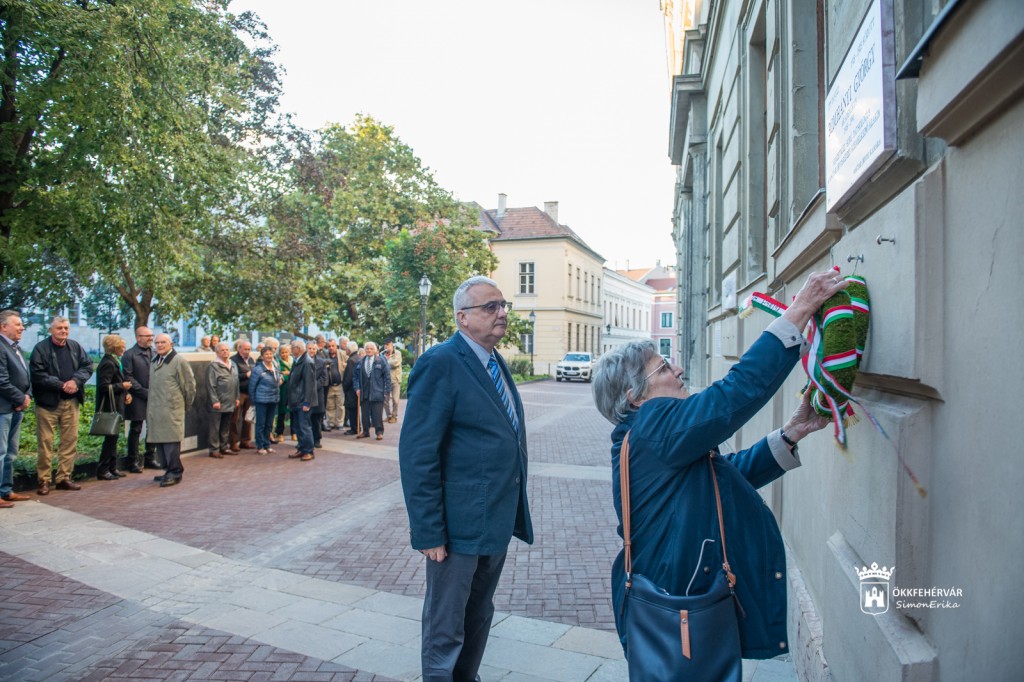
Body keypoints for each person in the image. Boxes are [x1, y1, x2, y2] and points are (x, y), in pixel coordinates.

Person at [590, 270, 847, 670]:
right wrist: (798, 311)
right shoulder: (654, 426)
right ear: (636, 397)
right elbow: (733, 395)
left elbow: (720, 475)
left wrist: (791, 433)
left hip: (681, 591)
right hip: (680, 599)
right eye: (663, 368)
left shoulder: (648, 436)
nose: (678, 371)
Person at [399, 275, 533, 681]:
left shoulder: (493, 360)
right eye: (490, 306)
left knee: (478, 616)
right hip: (456, 526)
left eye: (503, 305)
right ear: (463, 317)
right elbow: (418, 454)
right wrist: (429, 531)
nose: (502, 313)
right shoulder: (440, 362)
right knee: (446, 625)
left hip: (494, 519)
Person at [30, 316, 94, 495]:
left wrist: (75, 381)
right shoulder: (40, 349)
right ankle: (44, 480)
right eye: (59, 328)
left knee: (69, 441)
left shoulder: (75, 347)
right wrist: (61, 385)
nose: (63, 331)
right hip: (47, 403)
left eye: (66, 328)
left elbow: (87, 366)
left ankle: (64, 478)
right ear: (51, 329)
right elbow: (38, 375)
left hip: (71, 402)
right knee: (46, 442)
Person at [148, 333, 196, 487]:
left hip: (172, 409)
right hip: (156, 410)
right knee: (160, 442)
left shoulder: (178, 361)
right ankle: (167, 470)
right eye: (157, 343)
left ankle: (175, 472)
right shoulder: (155, 361)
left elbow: (189, 387)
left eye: (163, 342)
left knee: (171, 441)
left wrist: (184, 406)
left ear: (171, 344)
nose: (160, 345)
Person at [0, 310, 32, 507]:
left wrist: (27, 396)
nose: (22, 328)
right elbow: (1, 381)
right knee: (0, 452)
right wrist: (21, 398)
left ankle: (6, 490)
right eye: (17, 324)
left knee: (10, 452)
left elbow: (25, 376)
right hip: (3, 408)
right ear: (3, 327)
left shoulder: (15, 347)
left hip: (15, 408)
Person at [94, 334, 132, 480]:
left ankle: (112, 467)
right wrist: (122, 386)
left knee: (113, 438)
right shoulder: (108, 363)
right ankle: (103, 469)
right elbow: (104, 386)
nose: (124, 349)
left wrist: (125, 393)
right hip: (110, 407)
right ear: (114, 347)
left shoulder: (114, 361)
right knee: (110, 439)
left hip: (116, 405)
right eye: (121, 346)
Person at [123, 326, 158, 472]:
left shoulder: (155, 353)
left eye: (152, 335)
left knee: (153, 427)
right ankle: (132, 462)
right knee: (136, 429)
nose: (151, 338)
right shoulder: (129, 355)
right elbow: (128, 376)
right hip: (137, 397)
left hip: (154, 396)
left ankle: (150, 458)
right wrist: (144, 392)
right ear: (138, 338)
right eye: (147, 336)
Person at [205, 341, 239, 459]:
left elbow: (236, 382)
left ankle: (224, 447)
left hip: (230, 401)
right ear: (217, 352)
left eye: (227, 350)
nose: (225, 352)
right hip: (218, 402)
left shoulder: (233, 364)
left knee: (226, 426)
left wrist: (237, 398)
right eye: (222, 350)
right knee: (215, 427)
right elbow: (210, 385)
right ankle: (214, 449)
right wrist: (214, 401)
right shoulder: (213, 366)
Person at [285, 339, 316, 461]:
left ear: (298, 349)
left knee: (304, 426)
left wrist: (307, 402)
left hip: (302, 401)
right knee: (298, 426)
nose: (290, 350)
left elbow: (309, 384)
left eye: (292, 348)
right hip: (296, 400)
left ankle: (308, 450)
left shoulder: (307, 362)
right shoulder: (298, 360)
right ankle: (301, 448)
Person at [249, 345, 282, 455]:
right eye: (266, 354)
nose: (269, 356)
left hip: (273, 399)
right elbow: (252, 386)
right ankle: (260, 446)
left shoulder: (275, 367)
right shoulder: (258, 369)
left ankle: (267, 445)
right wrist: (253, 401)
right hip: (261, 401)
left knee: (269, 424)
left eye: (270, 354)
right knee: (261, 424)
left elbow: (278, 380)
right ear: (262, 356)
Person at [355, 341, 390, 441]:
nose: (369, 350)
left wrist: (386, 391)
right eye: (367, 349)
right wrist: (357, 388)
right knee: (364, 414)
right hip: (364, 391)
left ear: (375, 350)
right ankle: (365, 431)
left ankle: (379, 432)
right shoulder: (360, 361)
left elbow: (387, 376)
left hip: (377, 392)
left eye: (371, 349)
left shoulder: (381, 361)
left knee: (377, 414)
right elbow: (355, 376)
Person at [229, 339, 255, 450]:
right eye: (245, 349)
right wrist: (245, 375)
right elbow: (232, 376)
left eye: (249, 349)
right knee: (235, 418)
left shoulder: (251, 360)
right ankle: (233, 442)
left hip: (250, 392)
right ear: (239, 349)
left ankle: (245, 441)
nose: (247, 351)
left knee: (248, 418)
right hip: (239, 392)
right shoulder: (233, 360)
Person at [324, 339, 346, 430]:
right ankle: (331, 423)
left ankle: (340, 423)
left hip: (340, 384)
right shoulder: (325, 355)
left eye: (333, 346)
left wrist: (346, 365)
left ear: (336, 346)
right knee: (330, 405)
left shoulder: (342, 354)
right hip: (329, 385)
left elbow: (349, 363)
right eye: (329, 346)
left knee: (340, 405)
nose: (331, 348)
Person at [310, 340, 328, 447]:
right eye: (309, 348)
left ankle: (317, 439)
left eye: (313, 348)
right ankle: (306, 440)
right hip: (305, 395)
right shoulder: (302, 361)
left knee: (316, 418)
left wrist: (314, 386)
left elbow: (324, 377)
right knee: (305, 419)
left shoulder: (321, 362)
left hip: (317, 393)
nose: (311, 350)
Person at [274, 342, 293, 443]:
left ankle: (294, 432)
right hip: (283, 390)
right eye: (282, 352)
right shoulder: (278, 363)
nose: (284, 354)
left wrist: (288, 373)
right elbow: (280, 375)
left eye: (286, 352)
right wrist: (288, 375)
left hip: (293, 391)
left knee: (293, 412)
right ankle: (279, 433)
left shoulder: (294, 361)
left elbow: (297, 374)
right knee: (282, 412)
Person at [383, 339, 403, 424]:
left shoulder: (397, 353)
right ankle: (389, 416)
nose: (387, 346)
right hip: (385, 380)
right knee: (385, 399)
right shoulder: (383, 354)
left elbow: (395, 363)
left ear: (391, 344)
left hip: (395, 379)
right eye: (385, 345)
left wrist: (386, 360)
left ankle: (394, 416)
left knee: (395, 400)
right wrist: (387, 360)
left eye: (388, 344)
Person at [342, 341, 360, 435]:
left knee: (352, 409)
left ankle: (354, 428)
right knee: (355, 409)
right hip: (356, 388)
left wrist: (344, 386)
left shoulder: (351, 360)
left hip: (351, 389)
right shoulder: (358, 358)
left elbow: (349, 377)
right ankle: (357, 426)